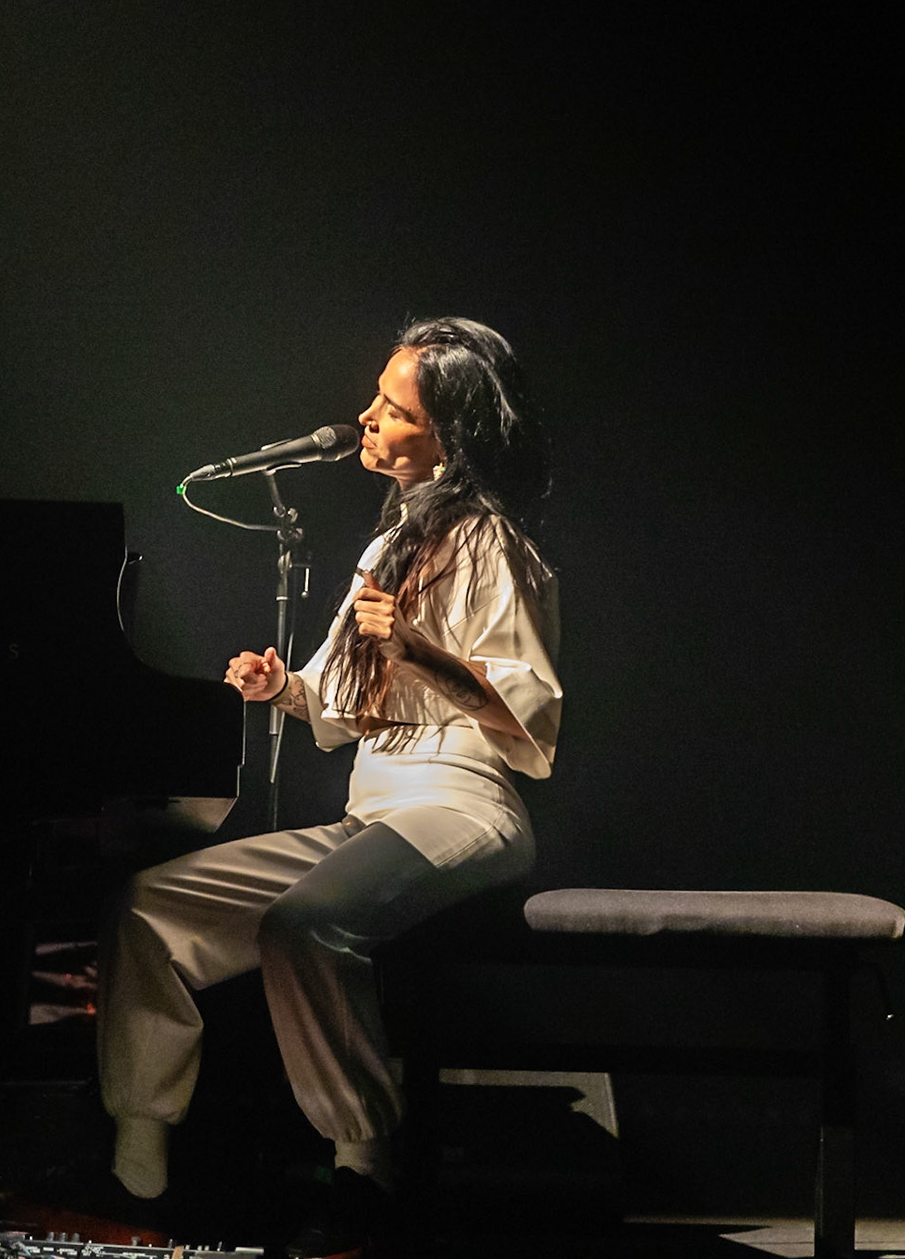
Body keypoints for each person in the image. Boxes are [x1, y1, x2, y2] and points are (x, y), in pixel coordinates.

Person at [96, 316, 562, 1256]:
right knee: (153, 905)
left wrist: (416, 650)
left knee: (306, 925)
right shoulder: (386, 548)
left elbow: (532, 722)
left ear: (447, 438)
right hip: (373, 807)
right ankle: (134, 1161)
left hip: (462, 803)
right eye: (378, 402)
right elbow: (337, 710)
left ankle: (363, 1163)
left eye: (392, 410)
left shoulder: (493, 546)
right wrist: (286, 688)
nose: (366, 417)